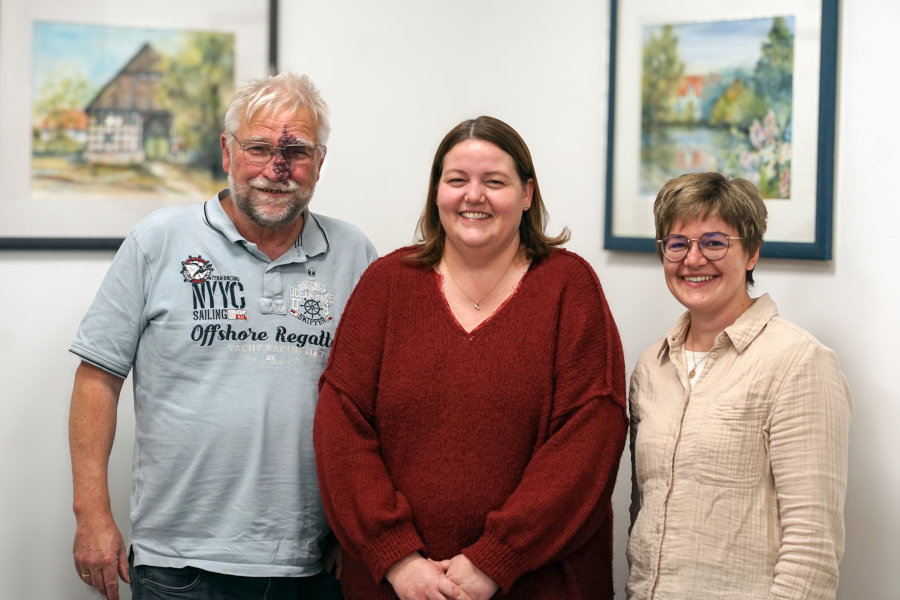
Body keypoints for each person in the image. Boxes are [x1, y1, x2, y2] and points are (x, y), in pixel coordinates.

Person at [68, 72, 377, 600]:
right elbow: (98, 377)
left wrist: (357, 527)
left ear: (320, 162)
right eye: (258, 148)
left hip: (311, 565)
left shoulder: (354, 254)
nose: (277, 169)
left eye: (296, 152)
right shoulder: (159, 241)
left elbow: (374, 404)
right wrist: (91, 512)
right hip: (179, 565)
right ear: (227, 152)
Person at [313, 116, 628, 600]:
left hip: (538, 584)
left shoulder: (570, 288)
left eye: (494, 182)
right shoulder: (386, 285)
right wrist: (397, 558)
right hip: (396, 588)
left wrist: (496, 559)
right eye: (457, 180)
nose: (473, 196)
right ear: (437, 192)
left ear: (527, 194)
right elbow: (341, 427)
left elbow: (589, 442)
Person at [626, 173, 852, 600]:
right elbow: (645, 518)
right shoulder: (651, 367)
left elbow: (812, 553)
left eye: (714, 242)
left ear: (751, 252)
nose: (693, 259)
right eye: (677, 244)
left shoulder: (798, 361)